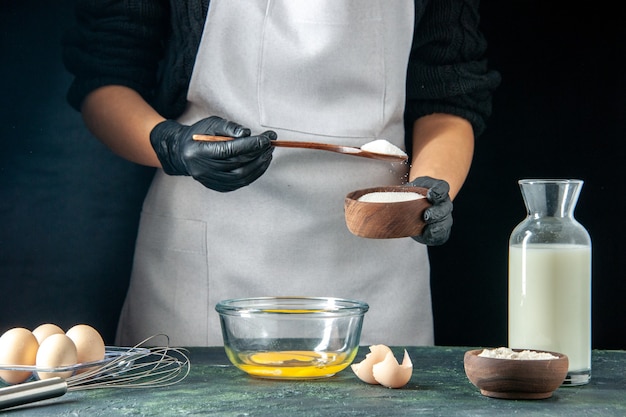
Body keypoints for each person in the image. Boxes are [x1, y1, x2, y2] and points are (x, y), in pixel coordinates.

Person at [63, 0, 500, 347]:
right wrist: (172, 146)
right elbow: (106, 76)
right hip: (212, 256)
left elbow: (449, 90)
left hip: (378, 254)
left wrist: (428, 192)